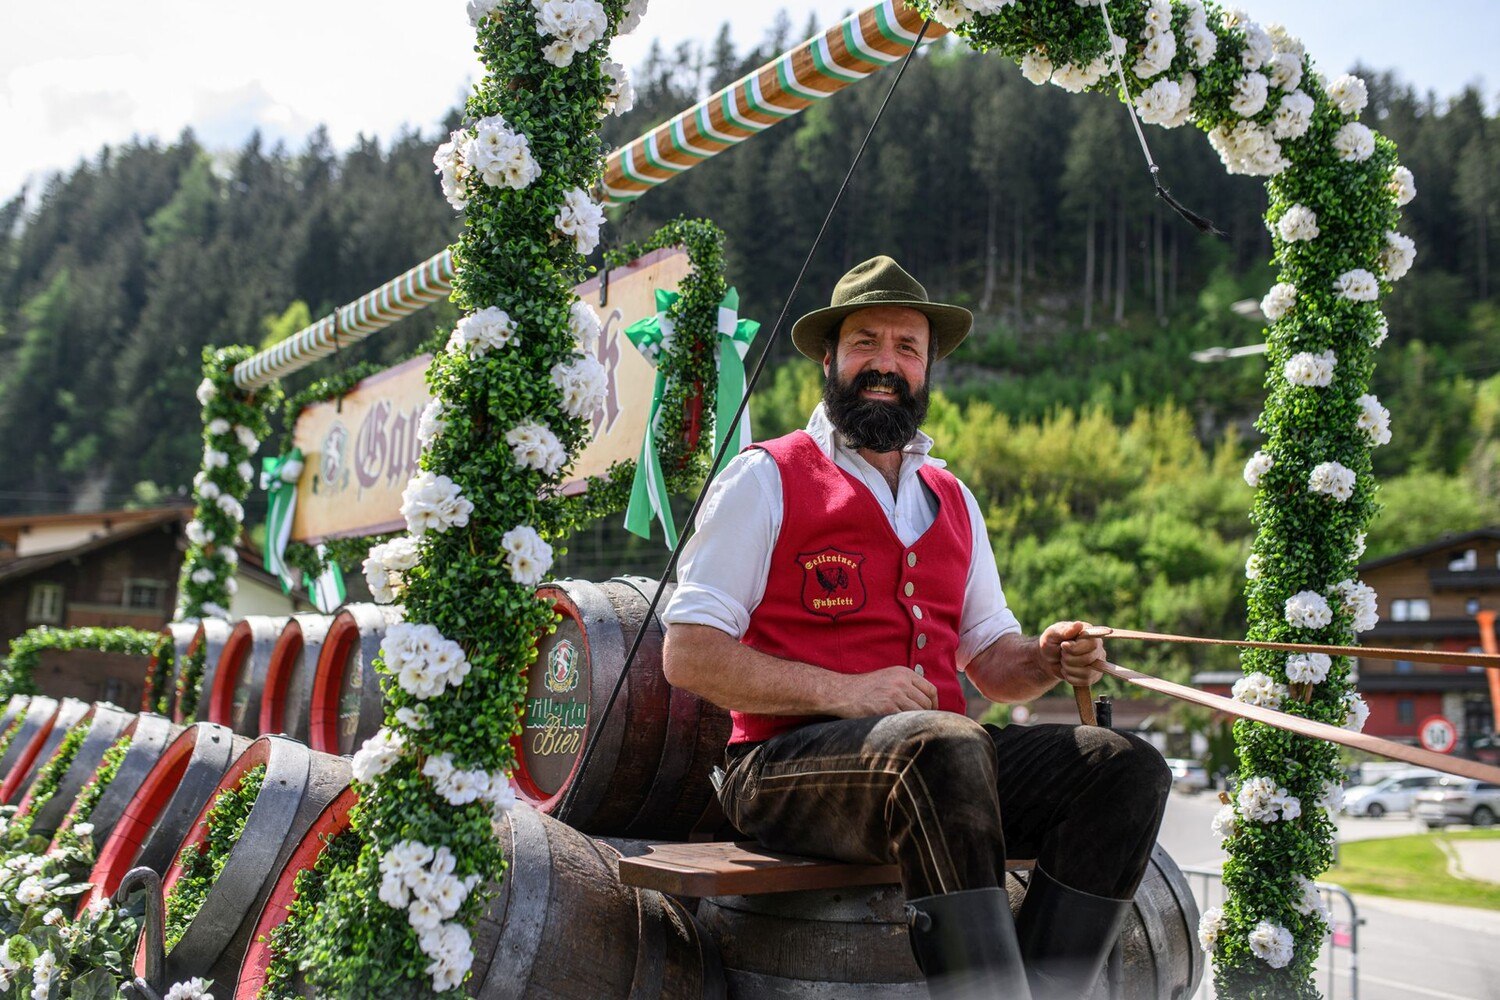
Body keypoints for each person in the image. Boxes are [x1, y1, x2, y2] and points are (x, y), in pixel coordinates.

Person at [661, 255, 1171, 1000]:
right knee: (944, 743)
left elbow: (993, 664)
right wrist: (848, 692)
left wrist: (1050, 656)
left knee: (1126, 767)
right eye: (867, 342)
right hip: (776, 768)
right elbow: (688, 654)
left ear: (928, 369)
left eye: (908, 348)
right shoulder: (765, 476)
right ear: (828, 359)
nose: (886, 364)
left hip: (937, 766)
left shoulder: (953, 496)